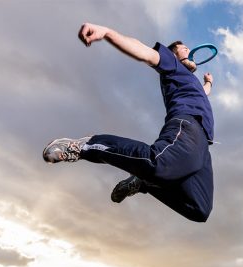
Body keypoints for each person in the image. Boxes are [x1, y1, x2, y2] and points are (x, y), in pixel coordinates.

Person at [43, 23, 215, 223]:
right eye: (182, 48)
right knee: (158, 163)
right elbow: (145, 52)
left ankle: (144, 183)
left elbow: (204, 93)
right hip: (186, 125)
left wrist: (208, 83)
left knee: (199, 209)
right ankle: (85, 146)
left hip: (203, 143)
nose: (187, 49)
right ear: (173, 55)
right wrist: (108, 34)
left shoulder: (191, 82)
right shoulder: (174, 67)